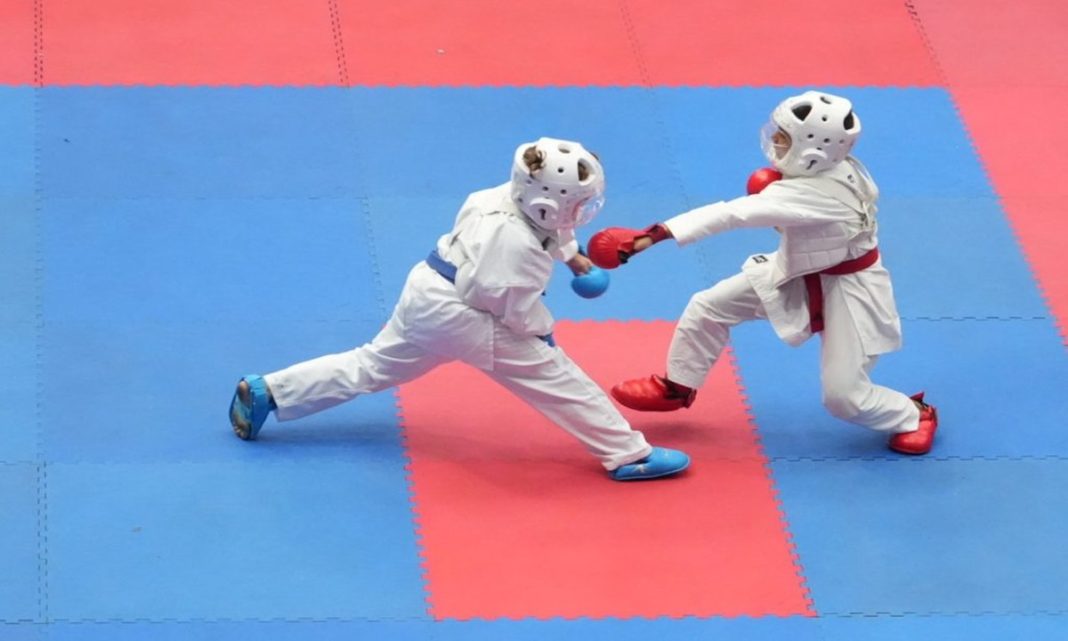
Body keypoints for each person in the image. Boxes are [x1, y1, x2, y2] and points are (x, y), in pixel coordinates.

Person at [229, 137, 691, 480]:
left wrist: (572, 257)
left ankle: (273, 391)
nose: (584, 212)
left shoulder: (498, 196)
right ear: (548, 202)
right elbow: (511, 307)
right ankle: (628, 454)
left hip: (426, 291)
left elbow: (546, 227)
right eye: (580, 204)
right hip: (467, 315)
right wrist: (542, 332)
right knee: (557, 378)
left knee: (369, 364)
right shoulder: (516, 248)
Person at [586, 92, 938, 455]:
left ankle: (915, 415)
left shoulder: (816, 193)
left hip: (851, 290)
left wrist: (650, 236)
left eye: (783, 138)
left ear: (813, 151)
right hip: (799, 269)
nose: (775, 142)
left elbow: (731, 214)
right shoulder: (840, 166)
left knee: (844, 397)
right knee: (708, 306)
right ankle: (677, 386)